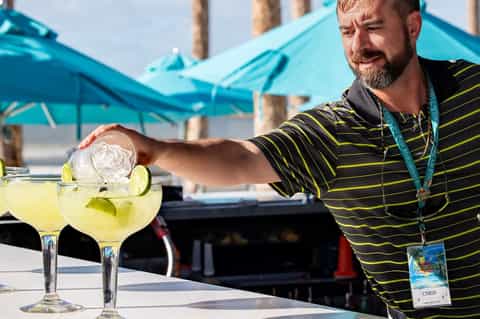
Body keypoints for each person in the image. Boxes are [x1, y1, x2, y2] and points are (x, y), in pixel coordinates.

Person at [80, 1, 480, 318]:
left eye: (373, 27)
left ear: (412, 27)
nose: (358, 46)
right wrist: (159, 150)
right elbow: (240, 157)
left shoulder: (472, 90)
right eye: (346, 31)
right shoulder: (330, 132)